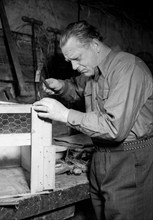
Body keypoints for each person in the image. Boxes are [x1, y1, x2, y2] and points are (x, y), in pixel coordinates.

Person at [33, 20, 153, 220]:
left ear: (95, 45)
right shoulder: (93, 72)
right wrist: (61, 87)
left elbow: (114, 128)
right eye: (69, 61)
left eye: (77, 58)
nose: (73, 66)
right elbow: (79, 91)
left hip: (129, 161)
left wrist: (64, 115)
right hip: (100, 158)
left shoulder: (128, 68)